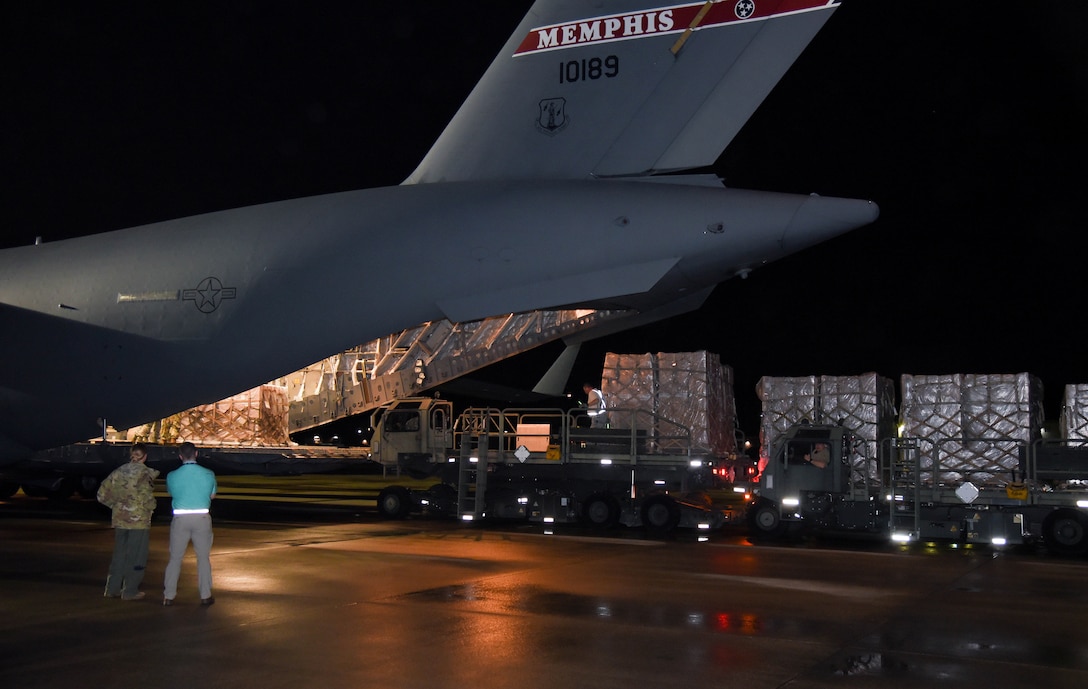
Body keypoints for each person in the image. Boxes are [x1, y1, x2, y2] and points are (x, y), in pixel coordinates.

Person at [97, 443, 159, 601]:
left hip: (120, 520)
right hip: (138, 522)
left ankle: (111, 589)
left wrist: (117, 506)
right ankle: (130, 590)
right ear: (145, 456)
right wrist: (152, 506)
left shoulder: (118, 472)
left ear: (131, 455)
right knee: (137, 555)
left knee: (119, 554)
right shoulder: (145, 473)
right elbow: (147, 499)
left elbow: (101, 495)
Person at [162, 442, 217, 606]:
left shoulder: (172, 475)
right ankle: (205, 594)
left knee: (175, 558)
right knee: (203, 558)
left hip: (180, 518)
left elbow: (171, 493)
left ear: (180, 456)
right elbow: (212, 496)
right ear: (196, 454)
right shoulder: (208, 474)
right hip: (201, 518)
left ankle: (169, 595)